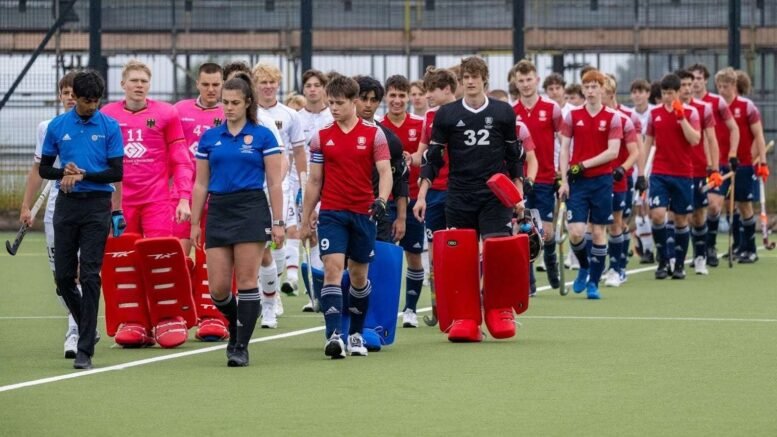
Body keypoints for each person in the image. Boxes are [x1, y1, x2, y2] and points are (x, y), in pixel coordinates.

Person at [412, 56, 523, 340]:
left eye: (475, 76)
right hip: (459, 194)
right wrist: (422, 195)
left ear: (485, 79)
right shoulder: (446, 114)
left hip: (494, 195)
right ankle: (466, 316)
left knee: (497, 251)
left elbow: (514, 156)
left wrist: (518, 193)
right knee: (461, 257)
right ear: (460, 81)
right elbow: (432, 158)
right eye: (466, 77)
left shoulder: (503, 112)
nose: (470, 81)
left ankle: (499, 309)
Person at [190, 72, 284, 367]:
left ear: (247, 103)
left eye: (234, 102)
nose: (228, 108)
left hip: (250, 208)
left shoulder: (263, 135)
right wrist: (195, 222)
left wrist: (279, 222)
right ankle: (237, 323)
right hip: (219, 210)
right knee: (218, 289)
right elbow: (200, 184)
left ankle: (240, 345)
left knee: (246, 281)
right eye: (225, 102)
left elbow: (274, 183)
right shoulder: (210, 137)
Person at [300, 74, 392, 359]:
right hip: (332, 213)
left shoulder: (374, 134)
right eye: (330, 103)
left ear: (354, 102)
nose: (333, 108)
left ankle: (355, 334)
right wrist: (306, 218)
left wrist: (382, 200)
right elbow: (314, 181)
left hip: (363, 213)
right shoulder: (321, 137)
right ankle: (334, 336)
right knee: (332, 269)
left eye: (339, 103)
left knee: (358, 276)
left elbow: (385, 172)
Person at [39, 70, 125, 369]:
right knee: (64, 278)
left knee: (89, 275)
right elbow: (44, 169)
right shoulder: (57, 126)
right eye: (87, 101)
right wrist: (64, 172)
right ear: (74, 97)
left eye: (96, 101)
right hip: (66, 205)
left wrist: (83, 175)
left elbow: (116, 172)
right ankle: (88, 326)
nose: (92, 106)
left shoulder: (110, 126)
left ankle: (84, 349)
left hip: (97, 206)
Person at [19, 70, 80, 358]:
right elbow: (37, 170)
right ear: (60, 96)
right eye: (66, 93)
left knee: (80, 273)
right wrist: (26, 205)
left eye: (75, 93)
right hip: (56, 209)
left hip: (87, 207)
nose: (70, 98)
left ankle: (76, 330)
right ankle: (81, 318)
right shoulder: (47, 128)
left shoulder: (97, 125)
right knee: (61, 279)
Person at [101, 60, 192, 238]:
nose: (139, 85)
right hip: (121, 202)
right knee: (123, 254)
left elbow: (181, 160)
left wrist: (184, 198)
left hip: (157, 201)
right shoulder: (107, 114)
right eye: (134, 80)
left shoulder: (166, 113)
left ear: (149, 85)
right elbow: (99, 158)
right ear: (123, 84)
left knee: (158, 253)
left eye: (144, 81)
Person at [557, 69, 623, 299]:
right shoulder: (572, 116)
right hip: (578, 182)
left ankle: (593, 283)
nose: (591, 91)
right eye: (587, 87)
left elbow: (613, 152)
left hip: (602, 181)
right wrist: (564, 180)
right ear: (582, 90)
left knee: (598, 232)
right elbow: (564, 149)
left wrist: (584, 164)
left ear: (602, 89)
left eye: (595, 86)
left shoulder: (613, 116)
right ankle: (584, 266)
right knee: (575, 232)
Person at [252, 62, 308, 321]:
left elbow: (298, 152)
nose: (268, 86)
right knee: (257, 241)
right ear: (255, 84)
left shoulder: (290, 115)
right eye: (263, 82)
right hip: (253, 184)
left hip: (281, 185)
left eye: (272, 82)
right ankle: (264, 293)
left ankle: (273, 293)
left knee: (278, 238)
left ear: (278, 84)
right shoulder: (248, 113)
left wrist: (303, 185)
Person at [407, 66, 458, 313]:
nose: (427, 95)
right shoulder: (429, 116)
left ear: (446, 89)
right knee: (435, 251)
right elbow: (422, 154)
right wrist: (409, 158)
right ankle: (439, 305)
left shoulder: (464, 113)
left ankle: (461, 302)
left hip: (460, 190)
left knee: (459, 248)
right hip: (434, 190)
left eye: (431, 90)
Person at [642, 73, 702, 279]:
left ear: (678, 92)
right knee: (658, 215)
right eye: (664, 93)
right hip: (659, 172)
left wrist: (681, 118)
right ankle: (663, 261)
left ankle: (679, 265)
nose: (667, 97)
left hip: (683, 173)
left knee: (681, 219)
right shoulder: (654, 114)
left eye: (670, 93)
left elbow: (695, 139)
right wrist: (642, 171)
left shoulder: (691, 112)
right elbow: (648, 142)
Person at [510, 59, 563, 293]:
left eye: (529, 79)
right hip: (519, 179)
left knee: (546, 232)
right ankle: (528, 281)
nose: (525, 84)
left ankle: (551, 261)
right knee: (524, 230)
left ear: (537, 80)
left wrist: (561, 171)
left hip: (546, 177)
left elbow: (563, 142)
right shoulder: (511, 112)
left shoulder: (552, 109)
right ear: (515, 82)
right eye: (521, 80)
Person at [378, 74, 424, 327]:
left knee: (414, 255)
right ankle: (383, 307)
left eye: (401, 95)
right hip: (385, 199)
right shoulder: (377, 126)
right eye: (393, 95)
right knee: (383, 254)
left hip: (414, 198)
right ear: (386, 97)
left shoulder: (420, 124)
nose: (397, 100)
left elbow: (427, 158)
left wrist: (413, 158)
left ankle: (411, 310)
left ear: (409, 98)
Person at [716, 68, 768, 262]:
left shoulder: (747, 106)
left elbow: (758, 136)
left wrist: (762, 162)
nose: (722, 90)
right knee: (727, 205)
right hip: (721, 164)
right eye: (719, 87)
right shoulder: (716, 107)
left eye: (726, 86)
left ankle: (750, 249)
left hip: (744, 163)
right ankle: (738, 245)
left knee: (744, 205)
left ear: (734, 85)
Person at [173, 62, 225, 255]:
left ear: (222, 84)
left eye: (215, 84)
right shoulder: (179, 110)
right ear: (197, 84)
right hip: (184, 192)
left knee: (212, 257)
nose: (211, 89)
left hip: (217, 192)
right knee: (179, 254)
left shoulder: (229, 113)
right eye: (205, 84)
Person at [296, 69, 334, 311]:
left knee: (323, 233)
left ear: (324, 89)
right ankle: (314, 295)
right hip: (302, 182)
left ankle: (325, 287)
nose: (312, 89)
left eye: (317, 85)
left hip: (328, 182)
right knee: (307, 233)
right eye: (308, 85)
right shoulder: (296, 117)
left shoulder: (332, 116)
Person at [677, 69, 720, 275]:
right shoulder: (668, 109)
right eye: (683, 85)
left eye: (690, 83)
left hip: (699, 168)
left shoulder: (704, 109)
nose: (688, 88)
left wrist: (715, 168)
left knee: (698, 214)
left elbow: (711, 139)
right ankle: (671, 259)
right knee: (676, 215)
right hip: (676, 171)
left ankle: (700, 256)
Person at [601, 75, 640, 287]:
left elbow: (636, 150)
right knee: (595, 225)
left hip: (620, 178)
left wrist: (635, 173)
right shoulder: (591, 116)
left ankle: (618, 267)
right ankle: (598, 267)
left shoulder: (626, 118)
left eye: (601, 93)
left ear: (611, 94)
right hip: (596, 180)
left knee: (618, 223)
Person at [629, 78, 656, 264]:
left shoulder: (654, 113)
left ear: (648, 94)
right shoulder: (630, 115)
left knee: (654, 209)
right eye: (634, 92)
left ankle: (658, 245)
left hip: (655, 166)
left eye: (641, 92)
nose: (637, 95)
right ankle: (648, 249)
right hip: (637, 168)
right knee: (640, 208)